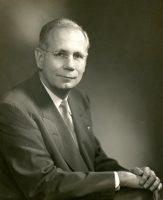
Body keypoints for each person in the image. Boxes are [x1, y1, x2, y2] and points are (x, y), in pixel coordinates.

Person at [0, 18, 162, 200]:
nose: (70, 65)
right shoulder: (15, 107)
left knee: (144, 192)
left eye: (78, 56)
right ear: (40, 57)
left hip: (74, 194)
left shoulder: (78, 99)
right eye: (60, 54)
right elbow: (43, 184)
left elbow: (95, 159)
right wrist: (119, 179)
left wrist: (132, 175)